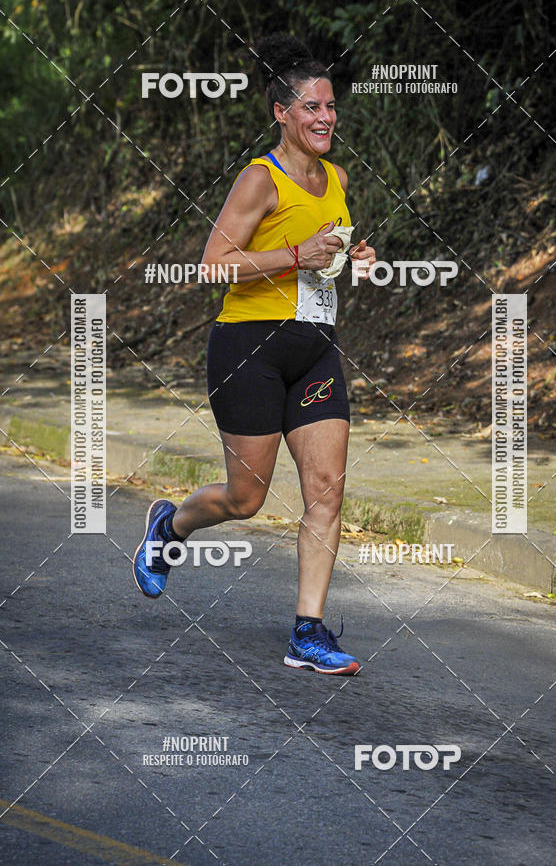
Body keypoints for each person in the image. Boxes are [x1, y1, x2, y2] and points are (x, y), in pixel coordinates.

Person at [133, 33, 376, 675]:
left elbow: (326, 258)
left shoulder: (337, 178)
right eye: (311, 108)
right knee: (248, 499)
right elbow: (214, 266)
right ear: (282, 113)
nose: (325, 117)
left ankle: (308, 632)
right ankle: (171, 523)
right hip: (250, 349)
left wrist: (354, 260)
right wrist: (299, 257)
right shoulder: (258, 179)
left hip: (315, 349)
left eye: (330, 106)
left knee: (326, 488)